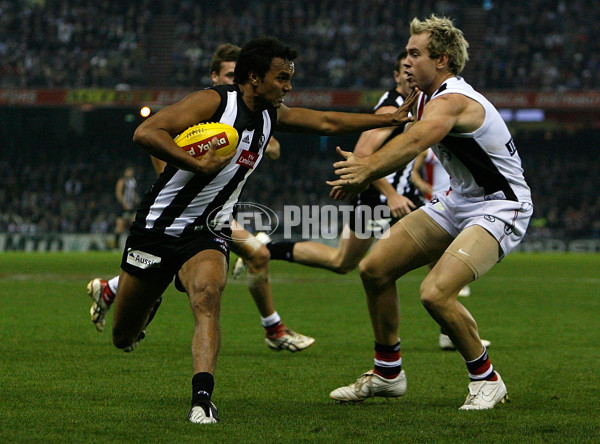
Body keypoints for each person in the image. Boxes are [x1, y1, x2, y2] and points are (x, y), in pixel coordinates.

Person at [110, 36, 416, 424]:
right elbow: (146, 133)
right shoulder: (215, 102)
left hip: (210, 229)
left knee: (208, 297)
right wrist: (196, 164)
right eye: (282, 78)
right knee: (124, 337)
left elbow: (327, 121)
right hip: (157, 227)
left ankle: (202, 400)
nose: (288, 86)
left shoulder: (274, 114)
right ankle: (148, 298)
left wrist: (388, 119)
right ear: (253, 78)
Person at [327, 16, 533, 410]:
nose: (407, 61)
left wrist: (367, 170)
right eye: (406, 52)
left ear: (441, 60)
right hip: (459, 201)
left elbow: (419, 138)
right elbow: (399, 134)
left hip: (501, 205)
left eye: (415, 53)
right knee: (374, 269)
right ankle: (388, 373)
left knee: (436, 293)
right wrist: (364, 162)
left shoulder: (453, 100)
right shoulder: (421, 96)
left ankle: (487, 379)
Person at [87, 43, 314, 353]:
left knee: (242, 261)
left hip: (216, 213)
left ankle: (113, 288)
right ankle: (273, 329)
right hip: (187, 215)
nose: (238, 80)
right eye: (230, 74)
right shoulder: (202, 114)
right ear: (214, 76)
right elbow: (161, 159)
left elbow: (273, 144)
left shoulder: (252, 115)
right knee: (238, 259)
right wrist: (191, 172)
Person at [261, 52, 422, 275]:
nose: (411, 75)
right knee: (346, 262)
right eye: (406, 72)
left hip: (401, 192)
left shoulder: (415, 103)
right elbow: (362, 153)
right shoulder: (391, 109)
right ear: (397, 77)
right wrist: (392, 195)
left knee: (342, 261)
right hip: (381, 198)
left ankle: (265, 249)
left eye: (414, 70)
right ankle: (265, 250)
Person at [411, 148, 483, 351]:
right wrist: (422, 184)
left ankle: (449, 334)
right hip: (435, 208)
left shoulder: (452, 148)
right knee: (440, 273)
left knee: (441, 273)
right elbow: (412, 172)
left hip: (456, 206)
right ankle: (450, 334)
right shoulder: (427, 149)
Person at [113, 166, 139, 248]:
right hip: (122, 207)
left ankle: (134, 244)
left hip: (131, 207)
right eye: (129, 171)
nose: (130, 172)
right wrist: (124, 204)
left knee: (135, 224)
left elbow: (133, 193)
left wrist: (137, 200)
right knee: (120, 226)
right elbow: (118, 193)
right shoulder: (122, 181)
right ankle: (116, 246)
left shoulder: (133, 181)